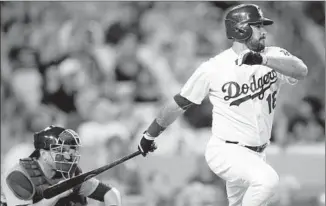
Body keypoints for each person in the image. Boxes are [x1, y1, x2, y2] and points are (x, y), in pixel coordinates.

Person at [138, 4, 308, 206]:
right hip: (227, 150)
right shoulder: (214, 67)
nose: (264, 32)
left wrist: (264, 60)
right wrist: (150, 134)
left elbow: (301, 70)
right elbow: (178, 104)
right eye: (258, 26)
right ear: (241, 29)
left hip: (257, 153)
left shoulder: (272, 55)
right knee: (268, 181)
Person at [1, 125, 122, 206]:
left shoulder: (70, 173)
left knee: (76, 200)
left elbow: (110, 192)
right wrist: (56, 195)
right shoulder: (18, 175)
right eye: (62, 150)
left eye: (71, 150)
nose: (69, 155)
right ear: (43, 154)